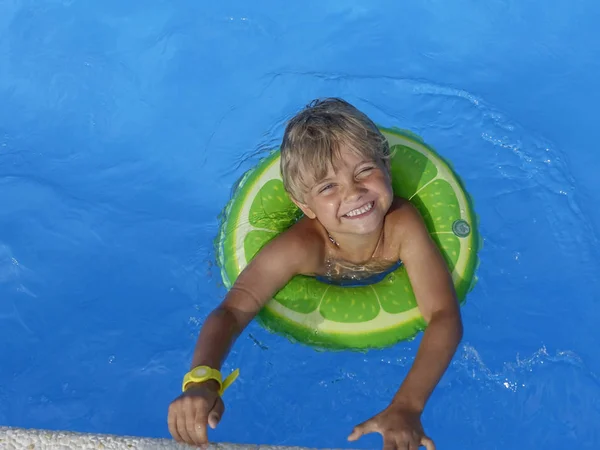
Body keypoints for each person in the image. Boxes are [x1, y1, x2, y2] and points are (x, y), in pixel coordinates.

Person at [167, 98, 462, 450]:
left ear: (386, 166)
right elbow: (232, 310)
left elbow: (444, 316)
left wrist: (408, 405)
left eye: (364, 170)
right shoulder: (302, 248)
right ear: (305, 207)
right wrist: (203, 379)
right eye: (327, 187)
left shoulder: (403, 226)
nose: (353, 193)